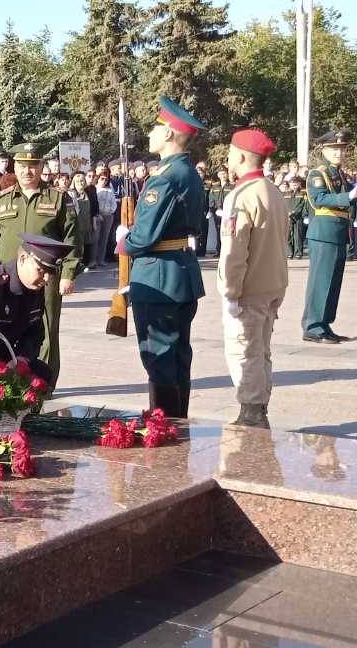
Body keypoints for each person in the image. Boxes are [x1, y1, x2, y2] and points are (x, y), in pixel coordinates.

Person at [121, 97, 208, 418]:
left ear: (170, 134)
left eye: (156, 128)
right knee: (178, 354)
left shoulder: (166, 178)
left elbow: (143, 237)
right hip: (181, 273)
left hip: (158, 277)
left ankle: (165, 425)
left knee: (159, 355)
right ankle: (177, 420)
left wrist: (123, 240)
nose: (150, 134)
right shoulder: (188, 173)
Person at [0, 142, 81, 383]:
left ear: (41, 167)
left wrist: (68, 273)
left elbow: (73, 239)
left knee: (46, 328)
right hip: (6, 279)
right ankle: (1, 379)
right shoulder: (0, 200)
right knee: (2, 327)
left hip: (46, 276)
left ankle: (42, 383)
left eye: (33, 165)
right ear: (15, 167)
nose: (28, 171)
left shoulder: (58, 199)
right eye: (22, 166)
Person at [216, 129, 289, 428]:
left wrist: (230, 291)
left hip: (249, 288)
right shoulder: (273, 191)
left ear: (242, 156)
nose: (229, 158)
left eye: (232, 153)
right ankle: (260, 407)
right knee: (262, 349)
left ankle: (251, 412)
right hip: (272, 284)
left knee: (244, 351)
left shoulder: (242, 196)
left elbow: (234, 252)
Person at [0, 233, 75, 383]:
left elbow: (35, 332)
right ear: (23, 259)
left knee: (43, 374)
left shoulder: (34, 287)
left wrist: (22, 358)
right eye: (41, 270)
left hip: (9, 356)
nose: (45, 279)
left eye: (50, 273)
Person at [301, 129, 352, 343]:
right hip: (323, 232)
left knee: (333, 282)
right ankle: (312, 326)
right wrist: (349, 195)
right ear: (324, 150)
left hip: (338, 231)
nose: (339, 153)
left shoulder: (340, 174)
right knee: (320, 281)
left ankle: (324, 324)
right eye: (334, 149)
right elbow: (319, 199)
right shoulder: (317, 174)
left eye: (342, 149)